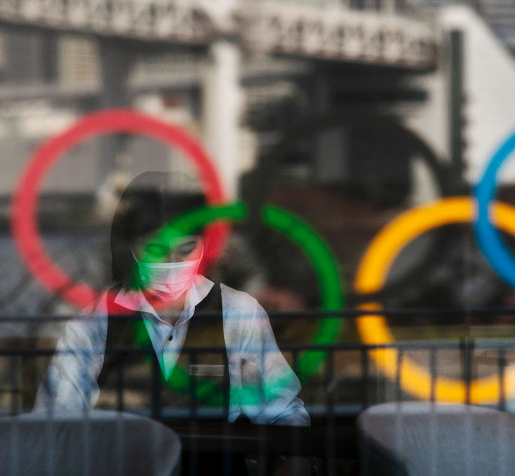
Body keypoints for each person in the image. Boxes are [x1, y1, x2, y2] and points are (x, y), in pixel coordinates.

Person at [35, 171, 310, 428]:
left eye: (186, 248)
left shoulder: (238, 312)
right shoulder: (96, 322)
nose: (172, 261)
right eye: (156, 249)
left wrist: (291, 449)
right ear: (130, 250)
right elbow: (58, 416)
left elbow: (281, 409)